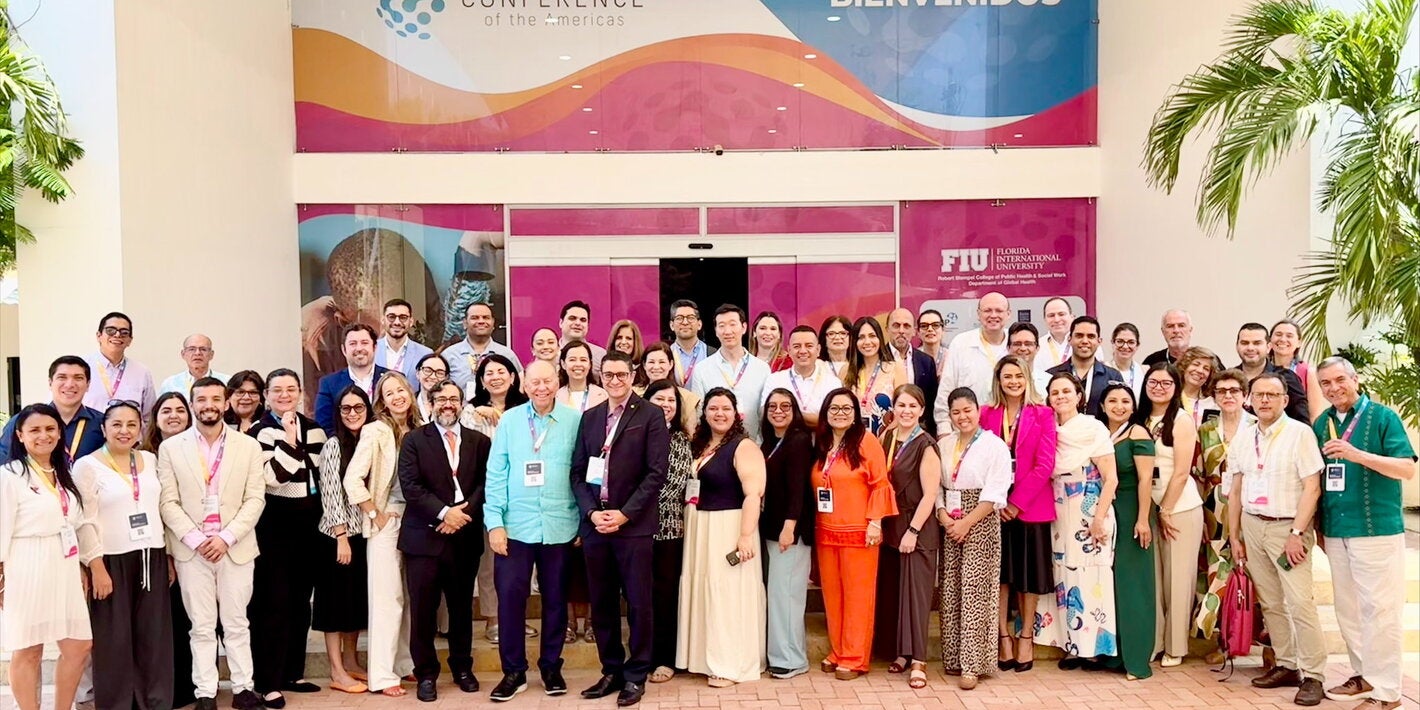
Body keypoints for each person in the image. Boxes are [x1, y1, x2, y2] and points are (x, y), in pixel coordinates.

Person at [157, 377, 268, 710]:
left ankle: (243, 688)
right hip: (192, 551)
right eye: (201, 399)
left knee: (236, 622)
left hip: (235, 548)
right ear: (193, 405)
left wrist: (225, 537)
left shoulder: (248, 446)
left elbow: (256, 499)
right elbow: (167, 503)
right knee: (201, 625)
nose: (208, 405)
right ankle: (205, 692)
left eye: (215, 399)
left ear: (227, 403)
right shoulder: (170, 448)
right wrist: (196, 539)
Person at [1312, 357, 1416, 710]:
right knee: (1349, 610)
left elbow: (1406, 468)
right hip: (1337, 528)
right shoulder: (1322, 422)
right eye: (1325, 383)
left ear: (1355, 379)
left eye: (1340, 380)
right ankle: (1364, 675)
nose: (1333, 388)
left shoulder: (1383, 417)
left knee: (1380, 610)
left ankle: (1387, 693)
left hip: (1376, 529)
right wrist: (1318, 527)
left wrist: (1358, 455)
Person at [570, 352, 670, 707]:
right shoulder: (590, 418)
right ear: (601, 376)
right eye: (608, 375)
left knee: (639, 602)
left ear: (632, 375)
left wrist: (625, 515)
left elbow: (656, 473)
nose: (615, 381)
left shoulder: (651, 415)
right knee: (602, 602)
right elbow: (578, 473)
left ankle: (636, 673)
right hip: (598, 526)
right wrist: (592, 513)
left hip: (633, 527)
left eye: (621, 375)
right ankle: (611, 669)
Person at [1226, 372, 1326, 707]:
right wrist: (1234, 535)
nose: (1264, 400)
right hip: (1254, 526)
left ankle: (1314, 674)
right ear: (1249, 399)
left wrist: (1298, 533)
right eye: (1259, 394)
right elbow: (1235, 489)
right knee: (1270, 602)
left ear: (1285, 400)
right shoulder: (1243, 436)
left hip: (1288, 529)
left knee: (1300, 602)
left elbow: (1312, 488)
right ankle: (1286, 665)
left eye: (1272, 395)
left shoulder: (1300, 435)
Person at [484, 360, 581, 701]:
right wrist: (494, 523)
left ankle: (551, 666)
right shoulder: (510, 421)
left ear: (559, 382)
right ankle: (513, 671)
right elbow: (495, 473)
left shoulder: (575, 421)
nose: (541, 387)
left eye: (548, 381)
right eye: (535, 381)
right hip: (515, 527)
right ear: (523, 384)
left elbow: (581, 475)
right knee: (511, 600)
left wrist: (583, 519)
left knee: (555, 599)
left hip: (560, 525)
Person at [75, 402, 174, 710]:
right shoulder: (87, 465)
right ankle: (116, 702)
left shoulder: (149, 458)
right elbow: (84, 521)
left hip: (151, 555)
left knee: (153, 638)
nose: (124, 431)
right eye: (116, 424)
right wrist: (96, 566)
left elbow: (162, 508)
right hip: (110, 561)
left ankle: (154, 701)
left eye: (132, 424)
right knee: (114, 640)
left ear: (140, 429)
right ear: (103, 429)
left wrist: (168, 555)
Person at [399, 379, 491, 702]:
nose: (448, 404)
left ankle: (462, 668)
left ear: (462, 403)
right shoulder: (413, 441)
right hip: (424, 538)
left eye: (454, 398)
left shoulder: (479, 442)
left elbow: (485, 482)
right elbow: (411, 486)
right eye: (441, 399)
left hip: (464, 538)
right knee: (423, 610)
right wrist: (443, 514)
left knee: (461, 609)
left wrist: (461, 515)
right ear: (431, 402)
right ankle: (426, 673)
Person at [2, 404, 95, 710]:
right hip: (27, 564)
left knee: (79, 645)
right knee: (28, 649)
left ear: (59, 433)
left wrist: (84, 565)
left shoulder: (64, 474)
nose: (44, 435)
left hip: (64, 563)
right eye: (35, 430)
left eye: (50, 429)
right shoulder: (9, 476)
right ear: (20, 435)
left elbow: (76, 523)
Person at [247, 369, 328, 706]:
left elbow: (320, 477)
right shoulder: (259, 432)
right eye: (277, 390)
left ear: (300, 393)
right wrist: (291, 444)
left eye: (290, 389)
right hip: (273, 529)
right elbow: (272, 478)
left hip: (309, 527)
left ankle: (292, 672)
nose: (284, 395)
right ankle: (266, 680)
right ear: (267, 395)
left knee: (299, 603)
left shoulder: (316, 429)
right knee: (272, 604)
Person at [676, 388, 768, 687]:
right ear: (704, 413)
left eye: (725, 408)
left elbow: (753, 494)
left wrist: (744, 536)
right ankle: (704, 657)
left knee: (727, 595)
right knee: (705, 591)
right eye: (713, 408)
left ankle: (730, 663)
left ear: (736, 413)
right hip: (700, 526)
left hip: (728, 526)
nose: (719, 413)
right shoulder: (700, 445)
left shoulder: (744, 447)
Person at [344, 371, 423, 697]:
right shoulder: (376, 431)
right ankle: (381, 675)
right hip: (386, 522)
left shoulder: (421, 428)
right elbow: (352, 479)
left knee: (409, 598)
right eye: (389, 393)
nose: (396, 396)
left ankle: (404, 665)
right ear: (382, 400)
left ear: (409, 392)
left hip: (418, 520)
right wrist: (374, 514)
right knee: (387, 599)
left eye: (400, 390)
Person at [1033, 373, 1119, 669]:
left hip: (1090, 507)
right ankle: (1071, 645)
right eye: (1055, 392)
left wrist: (1098, 518)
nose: (1061, 397)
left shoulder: (1093, 428)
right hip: (1059, 510)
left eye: (1067, 391)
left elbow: (1111, 478)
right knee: (1064, 576)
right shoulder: (1049, 430)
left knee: (1091, 577)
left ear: (1079, 395)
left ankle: (1093, 648)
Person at [813, 388, 897, 681]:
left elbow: (880, 483)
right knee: (834, 597)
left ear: (855, 413)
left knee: (858, 598)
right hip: (826, 531)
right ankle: (838, 651)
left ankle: (855, 657)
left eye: (846, 408)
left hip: (859, 532)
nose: (840, 413)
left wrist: (875, 522)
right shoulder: (822, 443)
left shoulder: (866, 441)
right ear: (825, 412)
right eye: (834, 408)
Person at [980, 355, 1056, 673]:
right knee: (1001, 578)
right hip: (994, 507)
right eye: (1006, 376)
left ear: (1028, 379)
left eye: (1018, 376)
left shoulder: (1043, 413)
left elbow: (1045, 465)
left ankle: (1026, 637)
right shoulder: (986, 414)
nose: (1012, 381)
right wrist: (999, 501)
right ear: (998, 380)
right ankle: (1004, 637)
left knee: (1027, 579)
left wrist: (1017, 503)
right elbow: (980, 457)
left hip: (1030, 508)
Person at [936, 387, 1012, 690]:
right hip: (950, 519)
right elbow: (937, 485)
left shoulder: (994, 445)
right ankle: (954, 658)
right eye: (956, 412)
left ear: (978, 410)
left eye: (967, 410)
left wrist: (967, 522)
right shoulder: (944, 444)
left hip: (979, 518)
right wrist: (943, 516)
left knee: (976, 591)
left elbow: (996, 491)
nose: (962, 417)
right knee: (952, 589)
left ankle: (974, 664)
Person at [874, 385, 943, 688]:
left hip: (917, 524)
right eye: (902, 405)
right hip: (891, 522)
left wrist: (913, 530)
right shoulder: (887, 437)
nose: (906, 411)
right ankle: (901, 652)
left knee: (916, 594)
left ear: (922, 411)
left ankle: (919, 661)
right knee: (896, 592)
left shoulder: (925, 444)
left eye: (913, 406)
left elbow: (930, 494)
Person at [1134, 362, 1202, 667]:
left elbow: (1182, 471)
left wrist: (1166, 510)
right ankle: (1155, 641)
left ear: (1176, 388)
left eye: (1166, 383)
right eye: (1153, 382)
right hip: (1148, 508)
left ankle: (1176, 647)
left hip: (1178, 509)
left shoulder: (1182, 420)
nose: (1159, 387)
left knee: (1177, 579)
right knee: (1154, 580)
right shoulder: (1140, 418)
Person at [1095, 383, 1157, 680]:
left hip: (1133, 510)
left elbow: (1146, 480)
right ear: (1103, 405)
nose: (1119, 406)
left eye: (1125, 401)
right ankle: (1114, 655)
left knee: (1134, 586)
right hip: (1107, 513)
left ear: (1133, 407)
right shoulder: (1099, 433)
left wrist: (1143, 519)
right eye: (1112, 401)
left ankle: (1137, 660)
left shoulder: (1138, 434)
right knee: (1112, 584)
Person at [314, 386, 374, 694]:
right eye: (346, 408)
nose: (352, 413)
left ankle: (351, 663)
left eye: (358, 407)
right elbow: (331, 493)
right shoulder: (334, 445)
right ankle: (337, 671)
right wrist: (341, 536)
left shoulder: (370, 441)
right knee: (335, 607)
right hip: (338, 538)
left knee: (354, 604)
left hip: (364, 536)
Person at [142, 391, 199, 708]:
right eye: (167, 410)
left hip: (193, 547)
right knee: (165, 624)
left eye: (180, 409)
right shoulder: (142, 456)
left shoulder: (198, 453)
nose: (174, 415)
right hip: (156, 551)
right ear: (155, 417)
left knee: (190, 620)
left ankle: (192, 684)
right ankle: (165, 686)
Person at [1194, 368, 1255, 656]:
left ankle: (1255, 640)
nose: (1228, 396)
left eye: (1234, 391)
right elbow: (1197, 473)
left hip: (1251, 506)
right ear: (1214, 396)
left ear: (1245, 395)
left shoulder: (1258, 427)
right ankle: (1223, 641)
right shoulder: (1206, 430)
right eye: (1222, 391)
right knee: (1217, 571)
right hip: (1213, 509)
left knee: (1250, 572)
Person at [759, 387, 815, 680]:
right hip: (771, 529)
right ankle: (780, 654)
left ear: (794, 411)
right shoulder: (770, 442)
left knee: (788, 596)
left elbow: (798, 489)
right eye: (772, 407)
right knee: (778, 595)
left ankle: (793, 659)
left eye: (784, 406)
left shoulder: (799, 441)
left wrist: (789, 527)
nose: (778, 411)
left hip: (790, 533)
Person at [644, 379, 693, 684]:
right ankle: (641, 654)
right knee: (638, 596)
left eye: (671, 400)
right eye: (659, 399)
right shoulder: (634, 433)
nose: (666, 405)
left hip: (668, 529)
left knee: (664, 596)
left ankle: (664, 657)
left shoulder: (680, 440)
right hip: (633, 530)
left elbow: (671, 485)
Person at [689, 305, 772, 442]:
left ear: (744, 328)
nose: (728, 331)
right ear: (716, 331)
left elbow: (765, 413)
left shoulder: (762, 369)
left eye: (733, 324)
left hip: (754, 445)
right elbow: (698, 414)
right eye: (721, 326)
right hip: (715, 447)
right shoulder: (702, 369)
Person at [0, 355, 105, 463]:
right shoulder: (22, 421)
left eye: (78, 378)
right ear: (50, 383)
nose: (69, 384)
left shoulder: (102, 423)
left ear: (88, 385)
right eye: (62, 377)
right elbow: (4, 463)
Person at [935, 292, 1010, 422]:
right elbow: (946, 390)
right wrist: (944, 430)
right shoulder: (961, 343)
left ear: (1008, 314)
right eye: (987, 310)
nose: (993, 315)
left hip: (1010, 426)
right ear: (978, 314)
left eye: (999, 310)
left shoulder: (1016, 342)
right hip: (967, 427)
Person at [316, 323, 390, 434]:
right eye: (353, 344)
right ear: (344, 350)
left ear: (374, 347)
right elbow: (325, 425)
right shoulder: (329, 384)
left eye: (364, 343)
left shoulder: (392, 379)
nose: (359, 348)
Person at [764, 325, 842, 429]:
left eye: (809, 346)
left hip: (821, 444)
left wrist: (789, 415)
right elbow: (766, 415)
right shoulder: (775, 380)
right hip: (785, 443)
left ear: (818, 350)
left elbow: (834, 420)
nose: (803, 351)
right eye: (797, 346)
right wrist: (816, 419)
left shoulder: (833, 383)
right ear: (789, 350)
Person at [84, 311, 157, 417]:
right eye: (110, 330)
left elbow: (149, 416)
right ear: (99, 336)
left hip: (128, 433)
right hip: (89, 432)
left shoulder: (141, 372)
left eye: (124, 332)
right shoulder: (81, 367)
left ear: (130, 340)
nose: (117, 335)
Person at [1045, 316, 1122, 415]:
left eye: (1091, 336)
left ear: (1099, 341)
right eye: (1079, 336)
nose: (1085, 341)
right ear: (1069, 339)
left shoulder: (1113, 377)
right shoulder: (1051, 375)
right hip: (1062, 430)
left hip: (1101, 430)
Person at [844, 316, 907, 435]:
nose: (867, 342)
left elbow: (904, 410)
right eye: (861, 337)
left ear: (880, 338)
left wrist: (884, 437)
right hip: (852, 439)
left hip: (885, 438)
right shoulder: (846, 370)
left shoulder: (895, 368)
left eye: (872, 336)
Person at [1235, 322, 1309, 424]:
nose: (1250, 348)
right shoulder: (1228, 378)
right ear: (1237, 346)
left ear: (1269, 347)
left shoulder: (1286, 378)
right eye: (1244, 343)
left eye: (1257, 343)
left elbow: (1301, 422)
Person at [444, 302, 522, 396]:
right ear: (465, 323)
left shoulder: (507, 355)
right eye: (475, 318)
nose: (481, 321)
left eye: (486, 317)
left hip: (498, 410)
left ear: (493, 323)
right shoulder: (449, 355)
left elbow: (520, 386)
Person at [886, 308, 940, 433]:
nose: (901, 331)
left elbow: (931, 404)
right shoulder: (878, 359)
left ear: (914, 331)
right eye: (896, 326)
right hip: (885, 431)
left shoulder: (926, 362)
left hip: (918, 433)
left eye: (906, 326)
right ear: (887, 329)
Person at [462, 352, 528, 438]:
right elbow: (466, 443)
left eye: (501, 372)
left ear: (512, 377)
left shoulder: (526, 407)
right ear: (482, 381)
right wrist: (477, 416)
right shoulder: (471, 410)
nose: (496, 377)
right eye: (489, 374)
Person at [638, 342, 699, 434]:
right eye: (651, 362)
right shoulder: (633, 394)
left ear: (671, 364)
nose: (656, 367)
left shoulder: (687, 398)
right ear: (644, 365)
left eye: (662, 362)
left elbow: (691, 435)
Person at [1271, 319, 1327, 419]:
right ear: (1270, 340)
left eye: (1289, 336)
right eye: (1278, 334)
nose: (1283, 339)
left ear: (1299, 342)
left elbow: (1315, 415)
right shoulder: (1261, 370)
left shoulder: (1309, 373)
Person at [375, 298, 434, 389]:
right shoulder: (372, 350)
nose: (397, 322)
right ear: (383, 320)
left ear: (411, 322)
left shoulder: (425, 354)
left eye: (403, 317)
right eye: (391, 317)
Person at [160, 334, 230, 396]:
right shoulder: (170, 384)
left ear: (211, 355)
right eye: (192, 349)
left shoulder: (226, 381)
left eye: (203, 349)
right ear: (183, 354)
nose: (197, 353)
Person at [668, 299, 714, 387]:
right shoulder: (666, 354)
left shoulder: (712, 353)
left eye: (691, 318)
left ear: (699, 324)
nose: (685, 322)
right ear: (672, 325)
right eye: (679, 318)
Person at [558, 341, 609, 414]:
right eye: (572, 360)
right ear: (563, 364)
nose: (578, 364)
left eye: (583, 360)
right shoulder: (555, 397)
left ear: (590, 364)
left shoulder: (603, 395)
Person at [1006, 322, 1055, 396]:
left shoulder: (1049, 382)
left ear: (1037, 348)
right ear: (1008, 348)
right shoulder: (994, 382)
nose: (1023, 348)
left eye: (1028, 344)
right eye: (1017, 344)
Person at [1178, 346, 1221, 427]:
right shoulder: (1170, 398)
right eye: (1196, 364)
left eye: (1206, 368)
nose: (1200, 371)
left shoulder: (1212, 404)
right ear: (1184, 367)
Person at [559, 300, 607, 367]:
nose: (578, 323)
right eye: (572, 318)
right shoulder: (549, 354)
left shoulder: (600, 355)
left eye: (583, 320)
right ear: (561, 323)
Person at [1110, 323, 1145, 400]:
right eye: (1120, 341)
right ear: (1112, 342)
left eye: (1131, 342)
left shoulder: (1144, 371)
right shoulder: (1103, 370)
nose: (1125, 346)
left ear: (1137, 345)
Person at [1037, 296, 1074, 369]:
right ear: (1045, 319)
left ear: (1072, 317)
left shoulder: (1086, 345)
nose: (1056, 319)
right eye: (1051, 315)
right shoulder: (1037, 346)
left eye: (1061, 314)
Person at [608, 319, 648, 384]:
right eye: (619, 338)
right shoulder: (606, 366)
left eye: (628, 338)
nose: (623, 342)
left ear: (635, 342)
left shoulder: (644, 370)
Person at [412, 354, 449, 422]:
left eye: (440, 373)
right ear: (417, 373)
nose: (433, 377)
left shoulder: (450, 405)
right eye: (428, 371)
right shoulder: (409, 403)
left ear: (446, 377)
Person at [817, 315, 854, 379]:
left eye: (843, 333)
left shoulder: (858, 367)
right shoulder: (817, 366)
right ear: (824, 338)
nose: (837, 337)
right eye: (831, 333)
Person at [915, 309, 948, 377]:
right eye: (924, 326)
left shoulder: (951, 357)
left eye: (935, 325)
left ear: (943, 330)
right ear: (918, 332)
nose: (930, 329)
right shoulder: (912, 358)